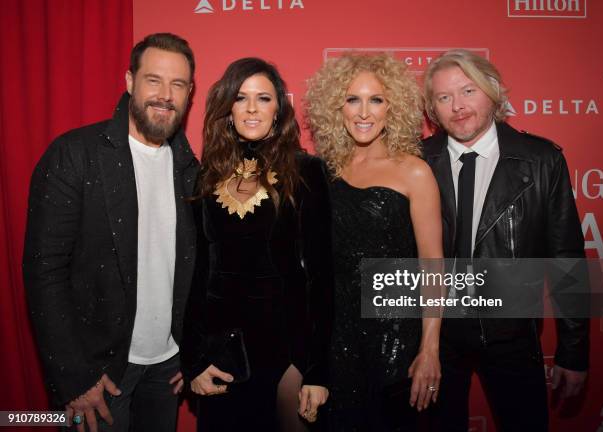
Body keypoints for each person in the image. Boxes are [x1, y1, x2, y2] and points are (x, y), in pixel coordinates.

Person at [22, 33, 199, 432]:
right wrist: (74, 377)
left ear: (190, 92)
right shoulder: (75, 154)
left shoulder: (190, 169)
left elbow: (202, 273)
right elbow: (43, 271)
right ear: (129, 81)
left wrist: (193, 352)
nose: (165, 95)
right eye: (154, 80)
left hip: (167, 370)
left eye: (178, 84)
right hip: (98, 376)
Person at [422, 49, 590, 431]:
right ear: (431, 109)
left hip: (511, 334)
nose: (458, 107)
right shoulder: (416, 162)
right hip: (435, 337)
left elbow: (567, 260)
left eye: (468, 91)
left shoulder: (541, 160)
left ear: (493, 92)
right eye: (444, 97)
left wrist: (574, 351)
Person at [180, 57, 334, 431]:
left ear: (279, 108)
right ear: (227, 108)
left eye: (263, 98)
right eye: (241, 97)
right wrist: (194, 360)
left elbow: (322, 276)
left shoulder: (306, 171)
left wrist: (316, 370)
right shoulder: (207, 175)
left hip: (286, 353)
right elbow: (198, 273)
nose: (251, 108)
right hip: (221, 356)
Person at [305, 53, 443, 431]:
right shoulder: (325, 171)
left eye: (376, 100)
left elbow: (433, 267)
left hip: (396, 338)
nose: (364, 112)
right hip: (338, 338)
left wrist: (429, 349)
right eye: (353, 99)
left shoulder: (413, 171)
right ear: (337, 107)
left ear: (392, 107)